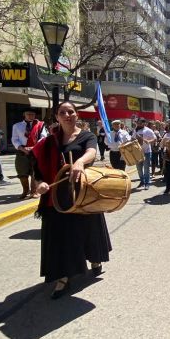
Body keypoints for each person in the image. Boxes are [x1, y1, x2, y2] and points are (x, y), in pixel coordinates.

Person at [32, 102, 112, 299]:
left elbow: (91, 151)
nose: (67, 115)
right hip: (57, 197)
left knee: (88, 230)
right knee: (60, 236)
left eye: (71, 112)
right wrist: (40, 184)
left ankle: (94, 258)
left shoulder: (87, 136)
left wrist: (79, 161)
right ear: (56, 117)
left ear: (77, 115)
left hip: (83, 193)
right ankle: (63, 276)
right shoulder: (48, 142)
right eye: (62, 113)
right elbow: (37, 171)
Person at [11, 108, 47, 199]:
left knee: (35, 172)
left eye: (33, 114)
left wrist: (34, 147)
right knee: (22, 171)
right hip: (21, 151)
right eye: (28, 114)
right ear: (24, 114)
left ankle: (34, 191)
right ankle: (25, 190)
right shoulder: (17, 126)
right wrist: (22, 148)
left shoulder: (40, 125)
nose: (31, 116)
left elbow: (43, 138)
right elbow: (14, 139)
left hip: (35, 150)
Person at [133, 118, 156, 190]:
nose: (138, 124)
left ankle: (147, 183)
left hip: (146, 152)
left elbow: (154, 138)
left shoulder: (148, 130)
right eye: (138, 123)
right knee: (139, 168)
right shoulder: (136, 130)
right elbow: (132, 138)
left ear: (144, 123)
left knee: (146, 168)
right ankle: (142, 181)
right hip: (138, 152)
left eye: (140, 123)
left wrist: (149, 141)